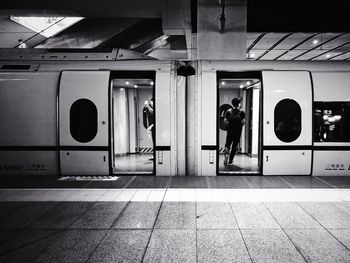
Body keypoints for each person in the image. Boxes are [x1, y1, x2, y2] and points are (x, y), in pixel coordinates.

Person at [224, 97, 245, 166]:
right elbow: (243, 122)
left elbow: (225, 121)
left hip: (230, 130)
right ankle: (230, 161)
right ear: (239, 104)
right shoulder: (242, 112)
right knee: (234, 146)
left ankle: (226, 155)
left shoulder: (228, 111)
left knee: (227, 144)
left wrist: (228, 125)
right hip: (238, 131)